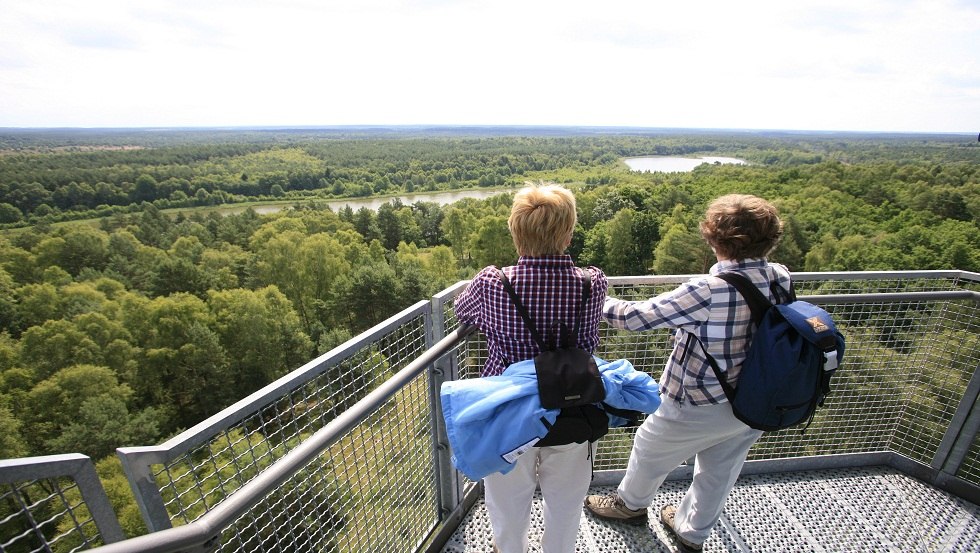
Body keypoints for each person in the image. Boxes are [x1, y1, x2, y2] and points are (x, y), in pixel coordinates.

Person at [583, 193, 789, 553]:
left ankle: (629, 506)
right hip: (755, 399)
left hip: (699, 400)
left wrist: (588, 294)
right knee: (719, 469)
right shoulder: (779, 277)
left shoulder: (708, 290)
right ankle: (691, 533)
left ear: (715, 239)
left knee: (649, 447)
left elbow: (633, 318)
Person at [453, 182, 608, 553]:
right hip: (573, 406)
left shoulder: (494, 282)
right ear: (568, 234)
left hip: (507, 411)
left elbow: (462, 310)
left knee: (506, 502)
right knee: (566, 503)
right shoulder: (592, 283)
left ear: (516, 233)